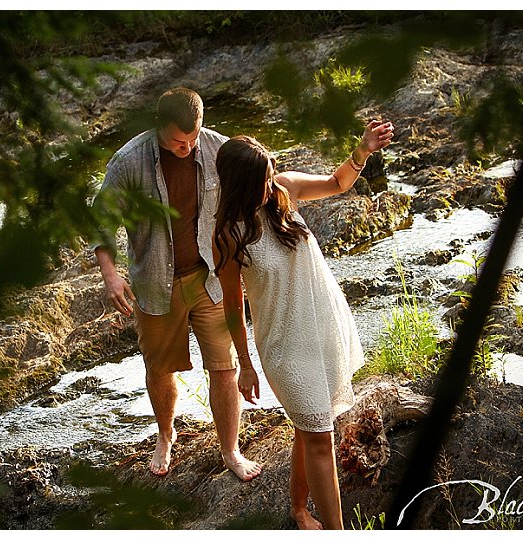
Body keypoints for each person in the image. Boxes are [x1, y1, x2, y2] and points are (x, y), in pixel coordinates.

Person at [212, 120, 394, 529]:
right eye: (260, 178)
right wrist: (244, 363)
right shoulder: (228, 234)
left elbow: (337, 182)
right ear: (239, 183)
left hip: (322, 323)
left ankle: (298, 510)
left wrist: (362, 150)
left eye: (269, 173)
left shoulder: (284, 189)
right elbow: (231, 306)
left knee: (311, 425)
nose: (269, 183)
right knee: (317, 434)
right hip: (283, 345)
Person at [92, 87, 262, 481]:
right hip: (155, 283)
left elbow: (259, 184)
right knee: (160, 368)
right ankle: (166, 436)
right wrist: (111, 274)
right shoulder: (128, 161)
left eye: (192, 139)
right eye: (176, 141)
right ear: (158, 127)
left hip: (209, 278)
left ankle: (231, 451)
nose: (186, 148)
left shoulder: (219, 149)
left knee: (224, 367)